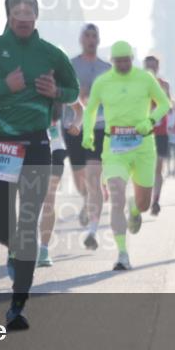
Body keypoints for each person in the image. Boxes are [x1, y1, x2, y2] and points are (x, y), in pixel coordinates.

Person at [0, 0, 79, 330]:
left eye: (29, 14)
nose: (24, 19)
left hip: (37, 145)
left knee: (28, 223)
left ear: (36, 17)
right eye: (17, 14)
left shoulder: (51, 54)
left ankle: (17, 303)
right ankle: (11, 251)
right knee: (5, 230)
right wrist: (3, 88)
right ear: (8, 16)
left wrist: (56, 93)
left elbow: (73, 90)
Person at [83, 41, 170, 271]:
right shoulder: (102, 82)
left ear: (132, 59)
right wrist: (87, 134)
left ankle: (135, 208)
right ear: (112, 61)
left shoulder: (145, 78)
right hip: (114, 147)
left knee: (142, 204)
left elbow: (164, 104)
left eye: (126, 60)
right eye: (118, 60)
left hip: (143, 146)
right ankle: (122, 254)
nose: (122, 64)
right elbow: (91, 109)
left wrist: (149, 120)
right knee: (116, 196)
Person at [66, 23, 111, 251]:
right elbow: (62, 92)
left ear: (99, 40)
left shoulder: (107, 68)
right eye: (87, 35)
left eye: (95, 36)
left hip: (99, 127)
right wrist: (78, 95)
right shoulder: (70, 65)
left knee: (94, 178)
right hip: (75, 126)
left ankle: (92, 230)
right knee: (80, 180)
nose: (91, 39)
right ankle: (86, 199)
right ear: (81, 40)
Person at [38, 100, 81, 267]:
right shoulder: (22, 81)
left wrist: (76, 124)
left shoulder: (57, 86)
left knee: (49, 198)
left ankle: (44, 249)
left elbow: (79, 108)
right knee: (30, 201)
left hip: (55, 149)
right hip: (26, 148)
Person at [143, 55, 172, 216]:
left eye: (153, 67)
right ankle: (144, 197)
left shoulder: (164, 84)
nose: (151, 70)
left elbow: (168, 105)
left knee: (158, 168)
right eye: (148, 67)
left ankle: (156, 200)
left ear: (158, 68)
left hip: (160, 132)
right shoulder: (138, 84)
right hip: (144, 132)